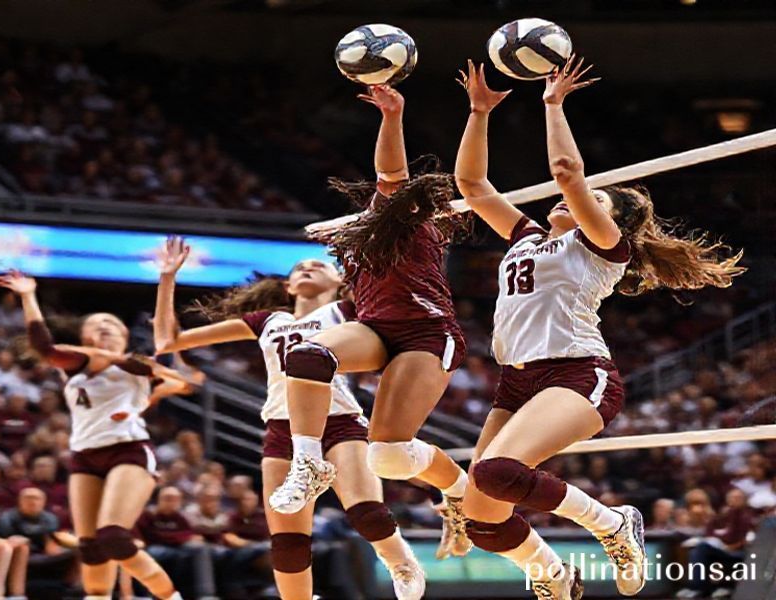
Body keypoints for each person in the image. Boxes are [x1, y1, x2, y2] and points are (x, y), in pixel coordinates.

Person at [453, 58, 744, 599]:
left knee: (494, 472)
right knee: (482, 518)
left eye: (597, 199)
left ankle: (612, 524)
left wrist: (553, 103)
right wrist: (478, 112)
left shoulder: (603, 248)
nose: (571, 197)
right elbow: (471, 184)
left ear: (607, 217)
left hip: (576, 373)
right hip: (515, 380)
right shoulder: (526, 236)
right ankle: (552, 575)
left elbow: (567, 172)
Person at [267, 84, 473, 561]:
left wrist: (392, 115)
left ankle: (459, 493)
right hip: (377, 328)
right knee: (306, 354)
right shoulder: (364, 236)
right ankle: (308, 462)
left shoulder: (410, 223)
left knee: (388, 455)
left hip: (426, 334)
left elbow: (390, 172)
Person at [154, 239, 425, 600]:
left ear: (339, 282)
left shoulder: (346, 310)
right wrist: (167, 278)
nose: (307, 268)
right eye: (298, 268)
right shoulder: (269, 321)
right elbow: (167, 341)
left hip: (339, 421)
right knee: (286, 540)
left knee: (366, 512)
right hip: (283, 428)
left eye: (318, 265)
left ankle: (401, 563)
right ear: (287, 286)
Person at [0, 271, 193, 600]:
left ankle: (170, 597)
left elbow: (188, 382)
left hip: (129, 450)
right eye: (96, 323)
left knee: (114, 537)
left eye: (112, 323)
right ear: (84, 336)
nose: (104, 327)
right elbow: (43, 347)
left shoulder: (141, 364)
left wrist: (160, 389)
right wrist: (29, 295)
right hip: (85, 454)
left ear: (125, 333)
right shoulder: (78, 363)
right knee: (90, 547)